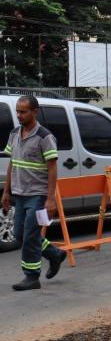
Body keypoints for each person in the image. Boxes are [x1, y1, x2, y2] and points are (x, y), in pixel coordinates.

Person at [1, 96, 67, 291]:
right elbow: (12, 164)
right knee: (20, 235)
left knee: (30, 234)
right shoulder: (14, 133)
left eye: (23, 111)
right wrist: (6, 192)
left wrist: (50, 199)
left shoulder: (45, 137)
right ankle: (55, 254)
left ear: (35, 112)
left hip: (37, 195)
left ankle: (32, 276)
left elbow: (52, 169)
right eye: (18, 111)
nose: (19, 115)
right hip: (19, 194)